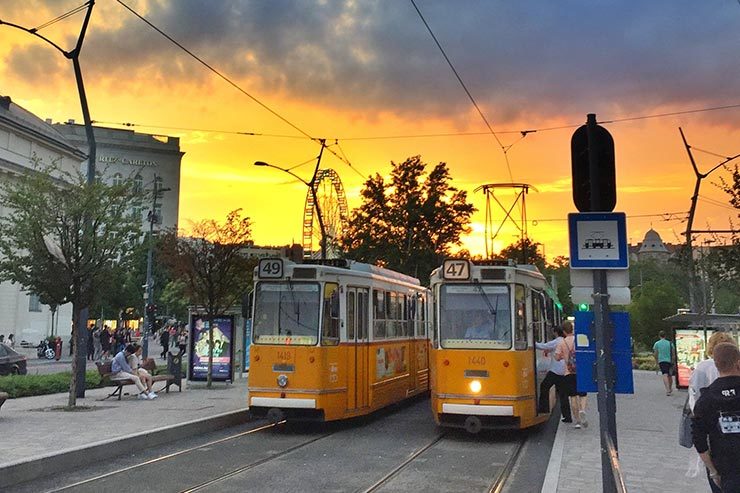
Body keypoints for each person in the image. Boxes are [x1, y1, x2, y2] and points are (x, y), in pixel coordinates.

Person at [688, 332, 737, 493]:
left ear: (715, 364)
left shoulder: (707, 398)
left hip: (723, 465)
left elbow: (699, 439)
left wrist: (713, 471)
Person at [555, 320, 588, 429]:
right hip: (581, 371)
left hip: (568, 372)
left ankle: (578, 421)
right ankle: (582, 409)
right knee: (583, 394)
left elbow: (557, 357)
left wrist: (564, 356)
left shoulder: (561, 343)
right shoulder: (580, 339)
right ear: (573, 329)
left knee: (573, 396)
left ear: (564, 331)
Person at [535, 325, 571, 422]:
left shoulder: (557, 341)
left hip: (555, 371)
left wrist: (532, 342)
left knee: (544, 386)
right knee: (563, 394)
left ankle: (543, 408)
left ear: (555, 332)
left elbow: (544, 346)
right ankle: (567, 416)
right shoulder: (564, 341)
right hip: (564, 370)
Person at [653, 330, 676, 396]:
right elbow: (673, 353)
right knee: (670, 375)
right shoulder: (670, 343)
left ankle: (667, 389)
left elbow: (655, 353)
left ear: (659, 336)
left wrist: (656, 361)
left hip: (662, 361)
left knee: (664, 374)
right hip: (670, 361)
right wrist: (673, 361)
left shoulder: (657, 343)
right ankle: (670, 388)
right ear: (665, 335)